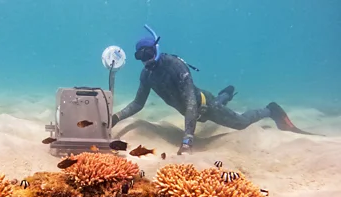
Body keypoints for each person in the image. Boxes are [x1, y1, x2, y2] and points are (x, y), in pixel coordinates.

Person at [111, 32, 316, 155]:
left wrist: (187, 140)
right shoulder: (146, 75)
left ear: (156, 49)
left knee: (240, 122)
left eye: (148, 53)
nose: (146, 60)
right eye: (141, 56)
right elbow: (138, 103)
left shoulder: (176, 66)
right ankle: (226, 94)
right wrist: (116, 118)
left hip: (203, 104)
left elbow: (191, 102)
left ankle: (270, 110)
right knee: (215, 106)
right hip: (195, 111)